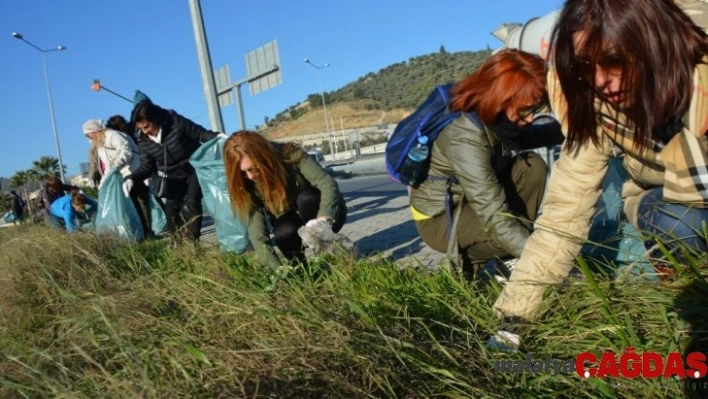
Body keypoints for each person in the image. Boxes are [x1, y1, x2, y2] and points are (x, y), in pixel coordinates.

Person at [489, 0, 708, 351]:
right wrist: (514, 319)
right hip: (665, 199)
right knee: (682, 220)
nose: (601, 81)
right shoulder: (597, 109)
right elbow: (564, 212)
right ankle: (687, 291)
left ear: (651, 40)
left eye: (612, 60)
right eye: (583, 68)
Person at [409, 49, 563, 277]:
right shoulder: (465, 135)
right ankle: (466, 266)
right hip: (440, 217)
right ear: (501, 97)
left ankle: (510, 254)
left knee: (532, 165)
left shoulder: (497, 118)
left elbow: (533, 136)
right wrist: (543, 261)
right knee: (506, 228)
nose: (530, 118)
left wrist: (574, 127)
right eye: (524, 110)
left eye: (535, 109)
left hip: (472, 202)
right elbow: (494, 215)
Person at [223, 131, 347, 267]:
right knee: (283, 230)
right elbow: (257, 233)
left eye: (253, 168)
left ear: (263, 157)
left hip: (325, 214)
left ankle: (328, 254)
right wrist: (276, 269)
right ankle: (301, 269)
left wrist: (324, 219)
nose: (250, 176)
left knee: (307, 199)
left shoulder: (289, 153)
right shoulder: (247, 184)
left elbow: (326, 183)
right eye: (243, 173)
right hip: (291, 223)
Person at [124, 99, 224, 244]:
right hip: (172, 175)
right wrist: (132, 178)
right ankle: (175, 241)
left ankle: (192, 242)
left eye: (147, 126)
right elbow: (147, 166)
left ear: (156, 119)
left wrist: (219, 137)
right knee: (171, 207)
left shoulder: (176, 122)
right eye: (141, 128)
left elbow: (201, 134)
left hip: (193, 168)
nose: (145, 131)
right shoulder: (142, 140)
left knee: (192, 203)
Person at [82, 119, 154, 238]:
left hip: (135, 171)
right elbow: (108, 167)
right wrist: (104, 182)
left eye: (87, 134)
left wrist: (117, 164)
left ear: (94, 131)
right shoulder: (100, 146)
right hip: (123, 176)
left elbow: (126, 151)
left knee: (141, 200)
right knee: (132, 202)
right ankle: (139, 231)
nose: (88, 138)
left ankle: (148, 231)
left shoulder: (112, 135)